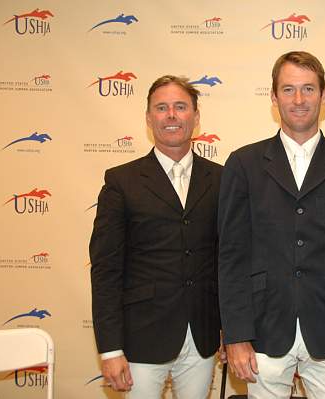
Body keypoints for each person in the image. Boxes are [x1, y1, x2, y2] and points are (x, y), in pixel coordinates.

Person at [217, 51, 325, 399]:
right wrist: (236, 335)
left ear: (324, 95)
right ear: (274, 98)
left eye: (308, 89)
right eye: (288, 90)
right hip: (263, 330)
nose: (299, 99)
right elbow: (231, 257)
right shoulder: (243, 164)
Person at [89, 75, 222, 398]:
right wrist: (109, 350)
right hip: (141, 338)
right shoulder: (122, 181)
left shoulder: (221, 178)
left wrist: (233, 332)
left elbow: (227, 260)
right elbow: (105, 270)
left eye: (180, 107)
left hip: (202, 338)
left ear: (196, 116)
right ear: (149, 118)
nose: (172, 115)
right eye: (161, 108)